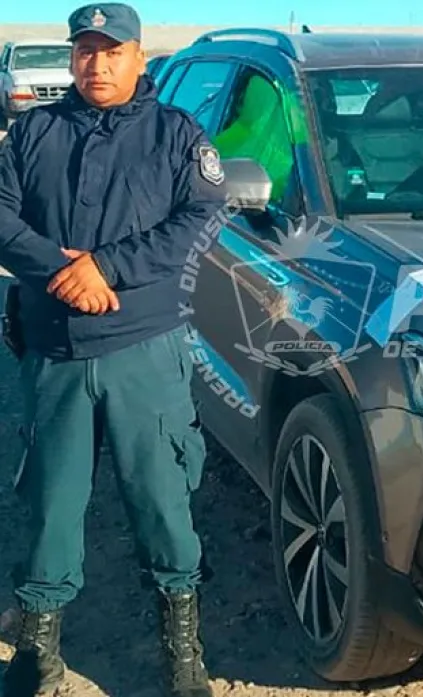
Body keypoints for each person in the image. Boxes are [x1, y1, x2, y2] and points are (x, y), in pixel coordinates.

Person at [0, 4, 226, 696]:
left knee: (164, 501)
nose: (97, 64)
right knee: (50, 503)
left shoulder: (175, 135)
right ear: (72, 58)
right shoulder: (33, 131)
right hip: (55, 350)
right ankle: (37, 652)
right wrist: (59, 271)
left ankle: (182, 649)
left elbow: (202, 217)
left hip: (143, 350)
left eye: (112, 51)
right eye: (86, 50)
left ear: (140, 59)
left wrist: (107, 268)